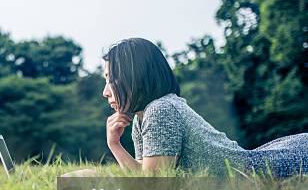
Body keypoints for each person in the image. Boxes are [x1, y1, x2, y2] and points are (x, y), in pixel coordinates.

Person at [96, 37, 307, 178]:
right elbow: (144, 175)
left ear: (136, 79)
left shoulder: (160, 110)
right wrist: (115, 144)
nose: (105, 92)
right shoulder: (142, 117)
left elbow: (153, 189)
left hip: (275, 168)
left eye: (112, 80)